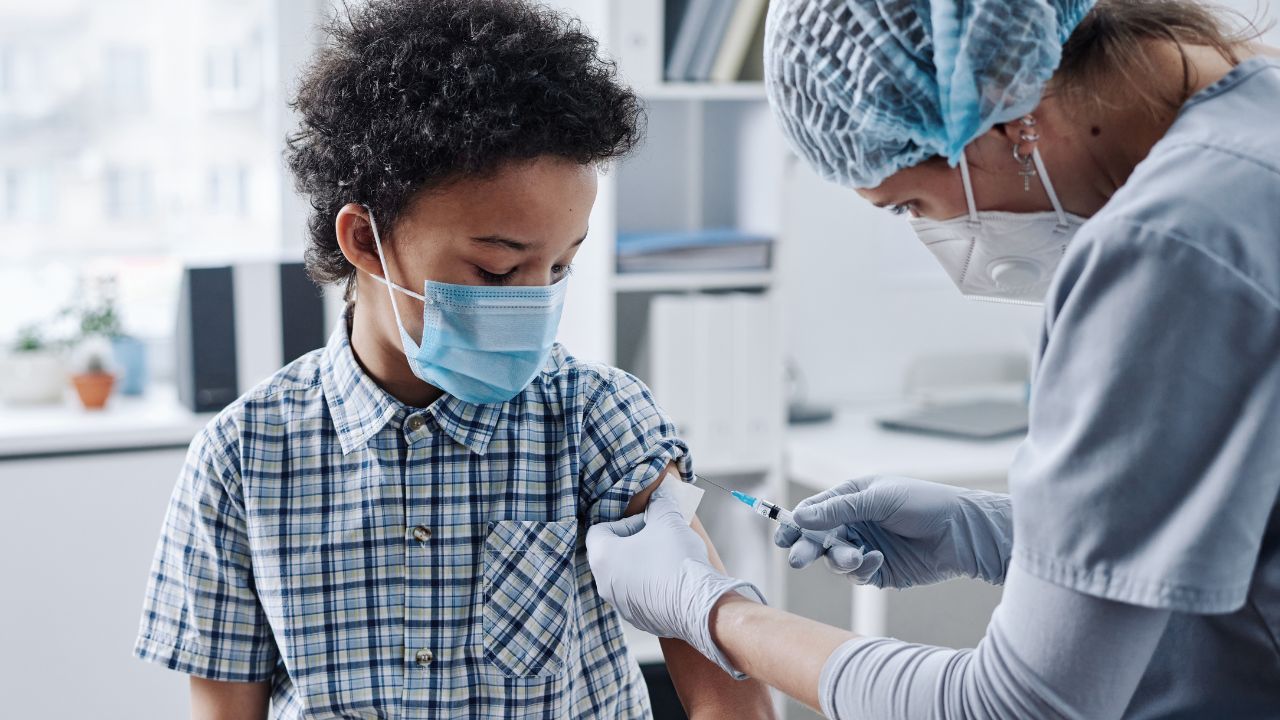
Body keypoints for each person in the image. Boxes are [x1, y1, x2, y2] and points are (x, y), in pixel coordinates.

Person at [587, 0, 1280, 717]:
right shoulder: (1253, 133)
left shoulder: (1165, 253)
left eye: (907, 203)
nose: (928, 232)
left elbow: (1016, 707)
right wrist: (997, 533)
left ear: (998, 113)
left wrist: (716, 613)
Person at [131, 1, 774, 717]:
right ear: (365, 239)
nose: (533, 303)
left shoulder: (598, 420)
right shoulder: (241, 459)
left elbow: (725, 690)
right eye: (498, 271)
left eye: (559, 268)